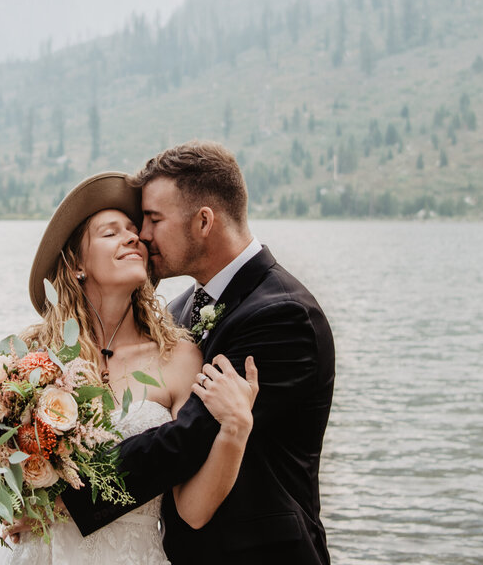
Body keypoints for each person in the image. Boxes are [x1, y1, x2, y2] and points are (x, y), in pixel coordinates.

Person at [61, 141, 335, 565]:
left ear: (203, 221)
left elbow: (188, 437)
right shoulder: (180, 309)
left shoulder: (283, 315)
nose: (142, 234)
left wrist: (60, 495)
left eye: (153, 219)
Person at [0, 171, 260, 565]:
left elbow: (193, 511)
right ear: (78, 263)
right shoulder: (30, 355)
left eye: (134, 230)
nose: (133, 237)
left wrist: (235, 431)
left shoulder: (179, 358)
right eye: (110, 232)